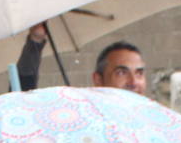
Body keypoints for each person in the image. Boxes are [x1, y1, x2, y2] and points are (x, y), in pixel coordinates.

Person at [18, 32, 148, 95]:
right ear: (98, 79)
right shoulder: (85, 120)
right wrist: (35, 42)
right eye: (121, 73)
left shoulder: (156, 124)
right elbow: (24, 98)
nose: (133, 82)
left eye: (139, 73)